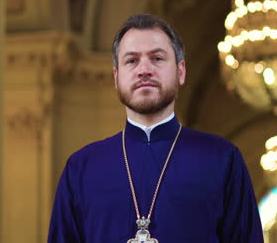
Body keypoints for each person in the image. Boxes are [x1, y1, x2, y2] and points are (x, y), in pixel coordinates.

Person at [48, 14, 263, 243]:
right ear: (116, 77)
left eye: (157, 58)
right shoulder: (81, 167)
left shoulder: (222, 159)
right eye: (131, 61)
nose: (144, 70)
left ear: (180, 71)